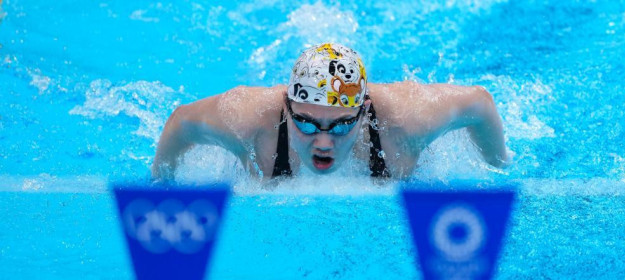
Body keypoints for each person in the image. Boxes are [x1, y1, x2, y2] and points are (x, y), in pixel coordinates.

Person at [152, 43, 511, 181]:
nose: (323, 142)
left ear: (364, 111)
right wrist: (160, 185)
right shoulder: (249, 120)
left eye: (340, 127)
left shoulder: (405, 124)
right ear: (286, 108)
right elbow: (181, 122)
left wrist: (500, 169)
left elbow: (479, 103)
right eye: (306, 124)